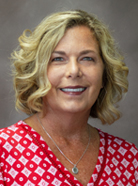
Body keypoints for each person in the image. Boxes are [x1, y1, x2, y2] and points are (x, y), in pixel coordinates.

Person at [0, 9, 137, 186]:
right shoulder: (4, 152)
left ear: (105, 75)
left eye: (87, 58)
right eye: (58, 59)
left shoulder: (128, 159)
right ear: (37, 73)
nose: (74, 71)